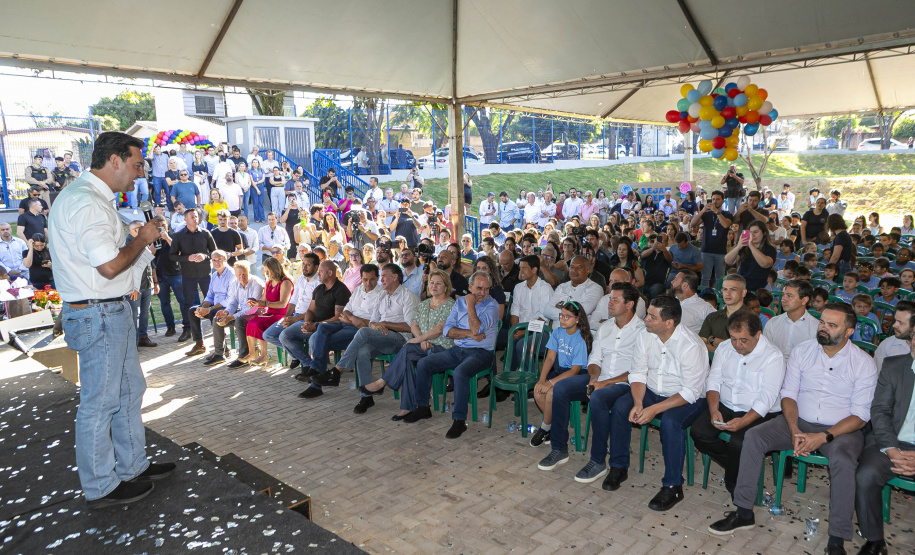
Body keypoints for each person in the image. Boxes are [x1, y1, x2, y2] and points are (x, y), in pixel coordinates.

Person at [50, 132, 174, 508]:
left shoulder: (91, 199)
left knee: (128, 391)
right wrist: (142, 238)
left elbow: (108, 254)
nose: (140, 174)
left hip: (107, 311)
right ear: (115, 161)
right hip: (98, 312)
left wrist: (135, 237)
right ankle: (101, 485)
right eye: (137, 165)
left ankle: (133, 465)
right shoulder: (87, 203)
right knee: (101, 401)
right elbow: (108, 266)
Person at [709, 304, 877, 554]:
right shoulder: (803, 351)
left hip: (841, 429)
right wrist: (794, 428)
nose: (823, 328)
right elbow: (788, 395)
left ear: (849, 331)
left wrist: (823, 436)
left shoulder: (863, 363)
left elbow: (861, 416)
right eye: (822, 322)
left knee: (842, 459)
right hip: (798, 421)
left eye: (832, 325)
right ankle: (744, 512)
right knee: (754, 437)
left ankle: (836, 538)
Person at [602, 295, 709, 510]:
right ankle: (618, 466)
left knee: (670, 422)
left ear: (669, 323)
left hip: (687, 397)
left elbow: (691, 391)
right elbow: (638, 373)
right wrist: (639, 402)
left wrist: (654, 409)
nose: (645, 319)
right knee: (623, 407)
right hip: (652, 390)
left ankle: (673, 486)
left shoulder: (691, 345)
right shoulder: (645, 336)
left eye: (652, 316)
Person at [537, 283, 644, 478]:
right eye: (610, 298)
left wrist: (605, 383)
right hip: (599, 378)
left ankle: (597, 461)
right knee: (560, 388)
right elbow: (594, 359)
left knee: (598, 397)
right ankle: (559, 448)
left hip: (624, 384)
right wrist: (594, 378)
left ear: (629, 304)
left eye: (615, 300)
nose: (609, 303)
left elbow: (639, 371)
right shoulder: (605, 327)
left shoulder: (642, 332)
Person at [690, 308, 785, 497]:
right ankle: (740, 466)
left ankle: (735, 486)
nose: (737, 345)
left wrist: (744, 421)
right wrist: (714, 409)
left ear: (758, 335)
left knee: (739, 442)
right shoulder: (725, 348)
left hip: (759, 411)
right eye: (733, 338)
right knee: (699, 432)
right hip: (726, 404)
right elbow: (714, 381)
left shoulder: (773, 356)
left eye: (743, 340)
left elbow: (767, 397)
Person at [402, 271, 500, 439]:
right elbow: (447, 330)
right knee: (424, 364)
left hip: (482, 353)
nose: (482, 292)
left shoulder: (492, 305)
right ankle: (423, 408)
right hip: (458, 350)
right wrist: (469, 334)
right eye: (478, 288)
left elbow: (477, 328)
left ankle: (459, 420)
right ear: (470, 287)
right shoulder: (459, 302)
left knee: (461, 372)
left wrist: (470, 305)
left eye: (486, 289)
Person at [316, 264, 419, 413]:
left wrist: (385, 324)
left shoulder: (408, 296)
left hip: (400, 339)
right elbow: (372, 322)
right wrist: (376, 325)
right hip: (381, 337)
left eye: (383, 276)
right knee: (362, 352)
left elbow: (411, 327)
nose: (381, 280)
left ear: (395, 277)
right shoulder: (381, 295)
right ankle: (366, 397)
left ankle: (337, 371)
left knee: (363, 332)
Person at [854, 316, 915, 555]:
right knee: (866, 474)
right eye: (914, 336)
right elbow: (879, 411)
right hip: (892, 441)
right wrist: (891, 449)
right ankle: (875, 540)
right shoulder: (894, 365)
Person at [528, 301, 593, 446]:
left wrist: (550, 383)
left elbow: (575, 370)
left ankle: (545, 428)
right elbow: (550, 358)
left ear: (577, 319)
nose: (563, 319)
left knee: (551, 393)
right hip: (561, 370)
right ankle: (554, 425)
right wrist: (542, 379)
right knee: (538, 391)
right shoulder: (557, 332)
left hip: (578, 374)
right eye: (561, 315)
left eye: (568, 316)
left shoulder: (580, 339)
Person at [291, 261, 352, 395]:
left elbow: (338, 317)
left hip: (336, 325)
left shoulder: (341, 290)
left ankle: (315, 383)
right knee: (285, 335)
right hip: (316, 325)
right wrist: (307, 322)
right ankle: (312, 369)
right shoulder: (319, 289)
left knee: (317, 337)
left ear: (330, 273)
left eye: (321, 271)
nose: (318, 273)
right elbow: (310, 310)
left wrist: (316, 325)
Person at [169, 208, 218, 342]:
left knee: (212, 301)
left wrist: (205, 256)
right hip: (188, 274)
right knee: (188, 303)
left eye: (196, 216)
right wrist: (187, 258)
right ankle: (187, 329)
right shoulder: (178, 235)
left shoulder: (205, 233)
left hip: (205, 273)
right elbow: (172, 256)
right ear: (185, 219)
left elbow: (215, 253)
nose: (195, 219)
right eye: (192, 217)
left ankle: (218, 327)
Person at [204, 260, 265, 366]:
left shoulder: (257, 284)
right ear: (235, 275)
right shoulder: (235, 283)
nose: (242, 277)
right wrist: (226, 312)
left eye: (244, 274)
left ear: (249, 272)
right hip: (242, 312)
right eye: (239, 275)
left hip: (257, 313)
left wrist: (231, 317)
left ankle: (243, 355)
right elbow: (232, 303)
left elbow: (252, 308)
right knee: (217, 319)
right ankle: (219, 354)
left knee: (239, 321)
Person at [235, 257, 294, 366]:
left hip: (281, 314)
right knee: (250, 323)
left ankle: (263, 355)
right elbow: (263, 301)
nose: (265, 273)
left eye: (267, 270)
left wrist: (265, 305)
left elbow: (283, 304)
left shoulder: (285, 282)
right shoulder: (269, 283)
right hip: (270, 313)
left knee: (258, 324)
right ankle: (252, 353)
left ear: (274, 269)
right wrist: (255, 302)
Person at [184, 250, 237, 357]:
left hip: (230, 307)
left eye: (219, 259)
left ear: (225, 259)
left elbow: (230, 299)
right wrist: (202, 308)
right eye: (214, 260)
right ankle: (199, 345)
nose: (216, 262)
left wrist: (209, 309)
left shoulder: (232, 274)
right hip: (215, 306)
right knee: (192, 311)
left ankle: (222, 350)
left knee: (214, 314)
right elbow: (210, 295)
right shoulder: (214, 275)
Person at [763, 280, 819, 363]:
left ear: (804, 300)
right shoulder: (772, 323)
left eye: (789, 296)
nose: (783, 299)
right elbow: (765, 353)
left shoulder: (816, 327)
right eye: (783, 295)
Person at [542, 256, 604, 330]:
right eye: (571, 267)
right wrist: (571, 314)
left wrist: (561, 306)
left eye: (579, 268)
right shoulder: (562, 287)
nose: (574, 270)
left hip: (580, 335)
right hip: (556, 335)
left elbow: (582, 311)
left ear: (589, 270)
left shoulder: (596, 289)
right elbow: (547, 310)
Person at [691, 190, 734, 289]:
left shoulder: (727, 214)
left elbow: (725, 224)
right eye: (713, 199)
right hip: (706, 250)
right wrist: (703, 210)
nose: (715, 201)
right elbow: (693, 224)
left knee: (720, 277)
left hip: (720, 251)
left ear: (723, 201)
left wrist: (717, 213)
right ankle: (704, 296)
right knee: (705, 277)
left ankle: (719, 297)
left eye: (718, 199)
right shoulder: (707, 214)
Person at [699, 274, 747, 353]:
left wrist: (712, 340)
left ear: (743, 292)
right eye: (725, 289)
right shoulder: (712, 317)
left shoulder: (751, 319)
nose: (728, 293)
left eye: (733, 289)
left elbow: (743, 348)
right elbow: (701, 344)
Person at [724, 220, 776, 291]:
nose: (752, 235)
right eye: (750, 232)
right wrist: (738, 246)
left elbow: (765, 264)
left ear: (764, 233)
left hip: (759, 288)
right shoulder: (744, 248)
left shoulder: (770, 249)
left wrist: (751, 246)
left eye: (755, 232)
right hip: (742, 285)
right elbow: (728, 261)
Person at [671, 269, 716, 335]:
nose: (672, 282)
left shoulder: (704, 308)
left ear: (685, 286)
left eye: (675, 280)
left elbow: (718, 327)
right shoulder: (669, 302)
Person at [873, 301, 915, 371]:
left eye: (900, 323)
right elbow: (878, 376)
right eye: (895, 320)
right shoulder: (887, 344)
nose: (894, 325)